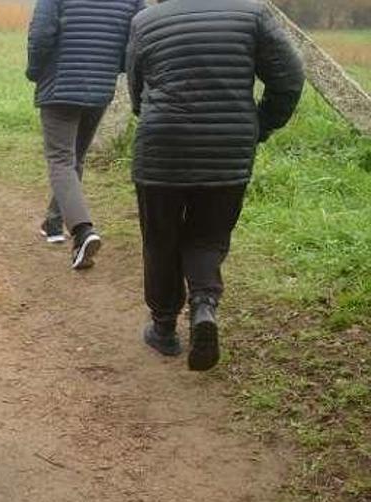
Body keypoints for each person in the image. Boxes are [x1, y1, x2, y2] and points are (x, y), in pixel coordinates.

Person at [127, 0, 304, 370]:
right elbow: (289, 78)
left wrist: (157, 118)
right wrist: (258, 125)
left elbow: (136, 88)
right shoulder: (253, 14)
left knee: (161, 236)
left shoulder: (146, 20)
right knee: (208, 236)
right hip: (228, 148)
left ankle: (163, 330)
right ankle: (204, 306)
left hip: (162, 147)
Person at [26, 0, 146, 269]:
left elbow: (41, 33)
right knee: (75, 157)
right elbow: (138, 38)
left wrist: (35, 70)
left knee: (60, 159)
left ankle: (82, 232)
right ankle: (54, 222)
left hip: (60, 84)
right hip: (100, 87)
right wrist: (112, 67)